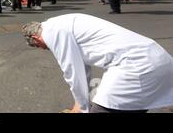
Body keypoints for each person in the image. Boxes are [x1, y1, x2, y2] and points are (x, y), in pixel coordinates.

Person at [21, 13, 173, 113]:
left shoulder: (52, 33)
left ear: (35, 39)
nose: (44, 49)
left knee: (102, 109)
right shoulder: (59, 23)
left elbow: (72, 71)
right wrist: (81, 103)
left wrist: (81, 107)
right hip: (156, 57)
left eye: (39, 47)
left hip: (136, 66)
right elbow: (83, 70)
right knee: (132, 107)